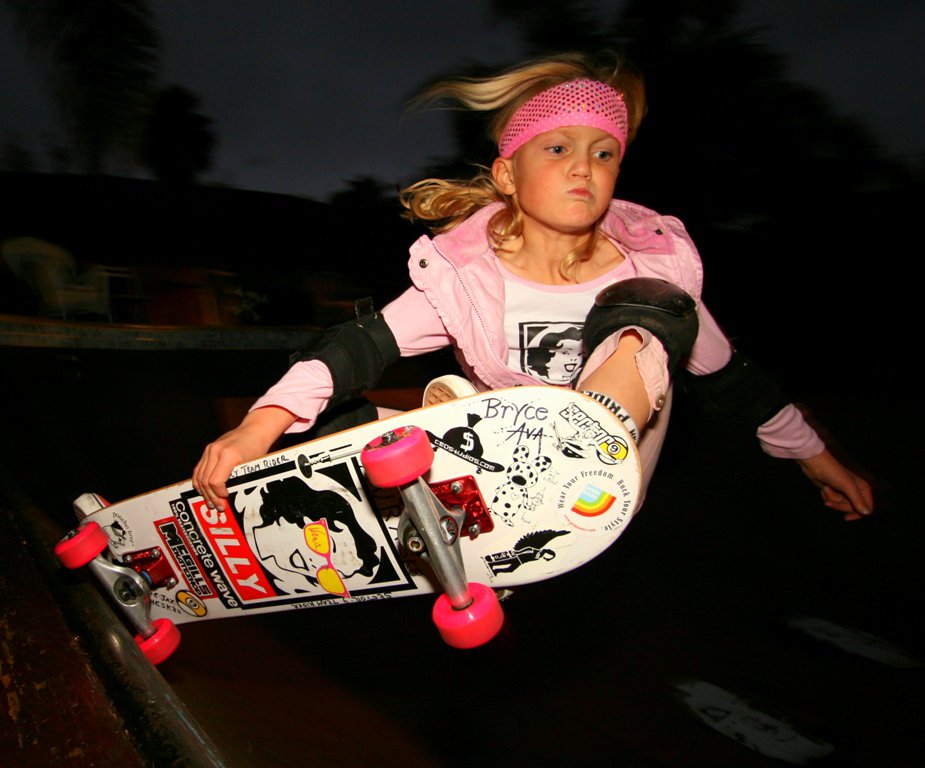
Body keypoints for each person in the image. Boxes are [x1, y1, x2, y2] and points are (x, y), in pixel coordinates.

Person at [193, 51, 873, 522]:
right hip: (491, 464)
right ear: (508, 176)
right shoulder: (467, 276)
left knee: (645, 308)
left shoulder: (655, 267)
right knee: (337, 420)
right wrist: (262, 425)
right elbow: (356, 346)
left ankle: (536, 476)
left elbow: (732, 382)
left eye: (602, 154)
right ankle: (406, 489)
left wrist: (815, 459)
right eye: (557, 150)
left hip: (603, 478)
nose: (584, 168)